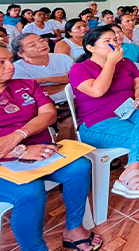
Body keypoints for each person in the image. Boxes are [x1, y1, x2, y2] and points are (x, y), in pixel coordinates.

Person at [0, 45, 104, 251]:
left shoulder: (26, 85)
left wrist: (18, 135)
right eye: (1, 63)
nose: (10, 66)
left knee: (79, 166)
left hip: (39, 148)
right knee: (30, 191)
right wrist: (17, 151)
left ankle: (74, 228)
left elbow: (49, 114)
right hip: (6, 161)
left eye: (10, 60)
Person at [70, 26, 139, 214]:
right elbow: (97, 91)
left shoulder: (127, 63)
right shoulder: (79, 69)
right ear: (90, 48)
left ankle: (131, 171)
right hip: (97, 123)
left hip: (128, 112)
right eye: (107, 41)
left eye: (115, 39)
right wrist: (111, 63)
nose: (114, 43)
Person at [11, 33, 76, 140]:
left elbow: (77, 80)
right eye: (32, 45)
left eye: (41, 40)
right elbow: (35, 94)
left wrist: (44, 80)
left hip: (75, 100)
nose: (41, 45)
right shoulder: (17, 69)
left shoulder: (62, 58)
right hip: (45, 107)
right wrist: (66, 82)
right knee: (67, 123)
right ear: (21, 53)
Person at [109, 24, 139, 100]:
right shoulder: (107, 52)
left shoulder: (133, 47)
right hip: (123, 84)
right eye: (114, 33)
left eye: (120, 32)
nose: (118, 35)